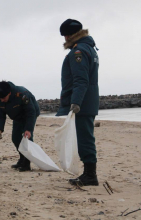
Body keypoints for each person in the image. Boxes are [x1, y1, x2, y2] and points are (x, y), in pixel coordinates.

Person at [56, 19, 99, 186]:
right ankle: (89, 173)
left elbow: (81, 80)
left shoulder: (78, 52)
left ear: (71, 34)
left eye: (66, 34)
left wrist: (75, 103)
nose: (65, 38)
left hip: (83, 103)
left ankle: (90, 175)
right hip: (88, 101)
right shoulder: (90, 48)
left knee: (84, 139)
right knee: (85, 137)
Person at [0, 81, 40, 172]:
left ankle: (26, 164)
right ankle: (22, 159)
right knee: (15, 138)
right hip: (17, 116)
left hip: (29, 114)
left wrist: (28, 129)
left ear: (9, 93)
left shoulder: (22, 94)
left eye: (3, 98)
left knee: (26, 138)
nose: (1, 100)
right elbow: (0, 115)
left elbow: (31, 112)